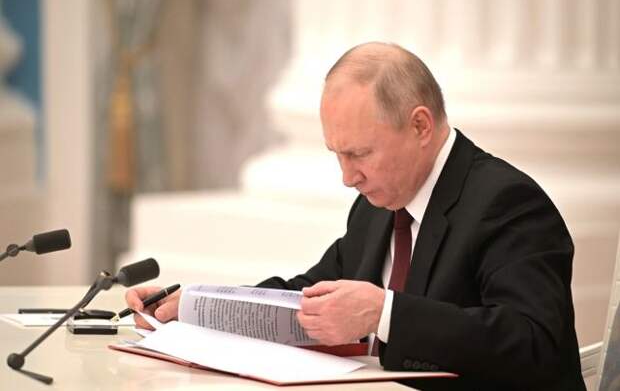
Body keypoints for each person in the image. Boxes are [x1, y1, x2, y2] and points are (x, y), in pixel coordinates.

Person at [125, 42, 586, 390]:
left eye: (360, 153)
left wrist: (384, 313)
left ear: (420, 126)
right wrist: (193, 308)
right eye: (337, 155)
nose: (348, 177)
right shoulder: (377, 204)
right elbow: (308, 295)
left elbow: (533, 345)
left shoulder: (507, 202)